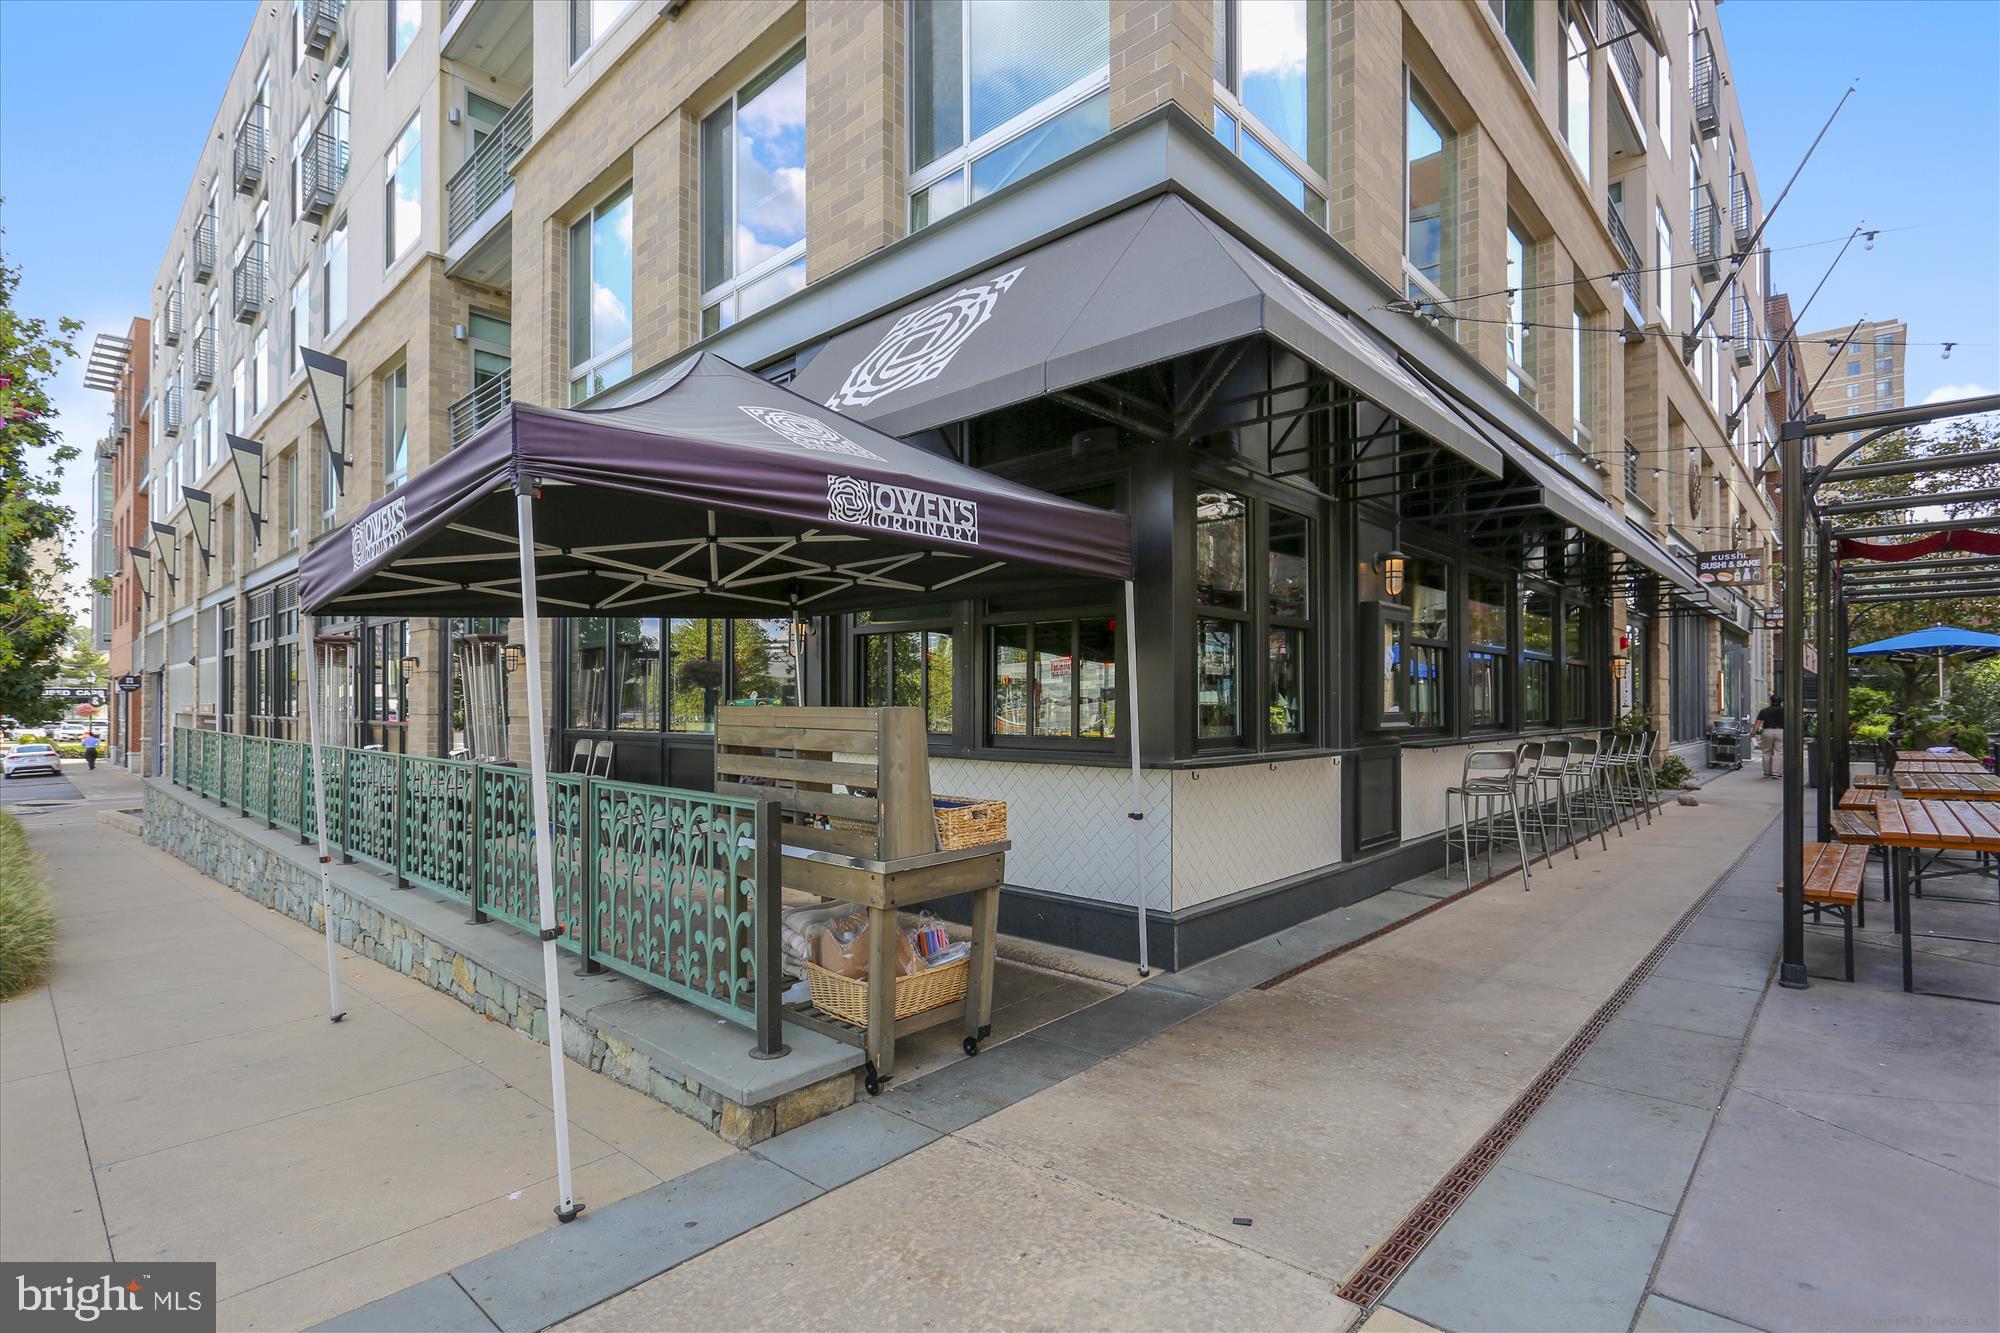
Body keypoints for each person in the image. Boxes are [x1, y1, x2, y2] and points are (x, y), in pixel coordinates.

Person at [1752, 695, 1784, 779]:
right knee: (1779, 752)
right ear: (1781, 701)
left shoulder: (1764, 711)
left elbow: (1758, 722)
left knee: (1766, 752)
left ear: (1770, 701)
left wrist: (1753, 733)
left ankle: (1767, 772)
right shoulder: (1784, 710)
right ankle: (1776, 773)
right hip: (1780, 731)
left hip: (1767, 731)